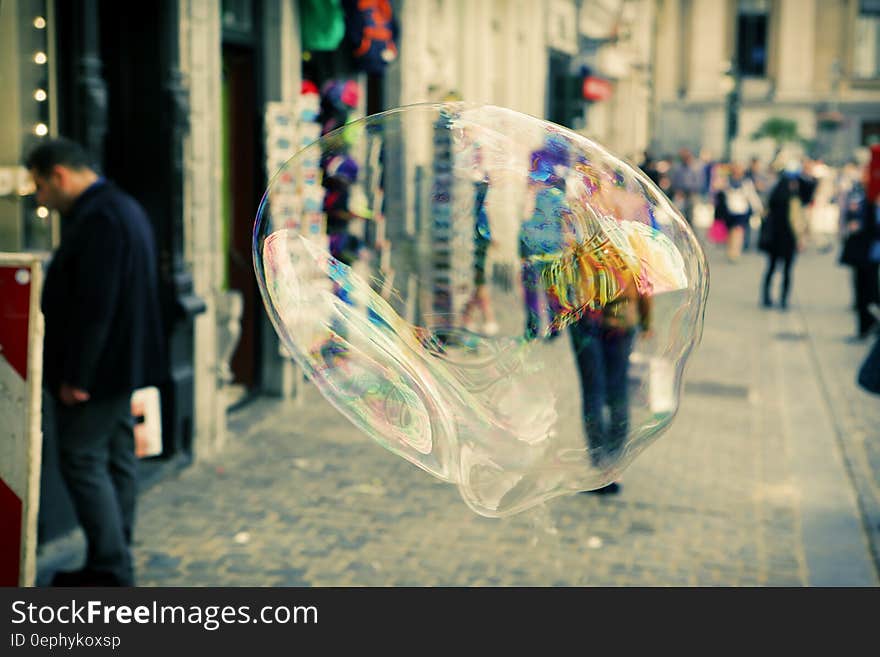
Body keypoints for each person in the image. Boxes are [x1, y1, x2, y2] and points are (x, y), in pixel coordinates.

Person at [26, 138, 166, 586]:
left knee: (84, 459)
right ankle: (114, 554)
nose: (40, 199)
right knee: (116, 457)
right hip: (124, 364)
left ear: (60, 176)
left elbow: (96, 305)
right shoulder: (122, 207)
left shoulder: (101, 217)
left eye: (41, 188)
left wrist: (77, 377)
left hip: (100, 371)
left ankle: (110, 567)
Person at [569, 269, 652, 496]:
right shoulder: (633, 234)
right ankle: (613, 466)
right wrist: (645, 319)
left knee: (593, 391)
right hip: (622, 314)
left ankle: (598, 465)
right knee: (617, 391)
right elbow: (645, 278)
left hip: (585, 312)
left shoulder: (580, 233)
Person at [760, 169, 809, 310]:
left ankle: (766, 297)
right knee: (787, 271)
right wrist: (800, 238)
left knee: (771, 268)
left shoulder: (774, 195)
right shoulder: (793, 199)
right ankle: (783, 300)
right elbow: (796, 221)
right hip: (788, 240)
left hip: (774, 240)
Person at [715, 162, 763, 261]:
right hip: (729, 211)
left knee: (738, 231)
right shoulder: (727, 181)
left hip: (741, 211)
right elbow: (717, 189)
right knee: (730, 232)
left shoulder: (746, 183)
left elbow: (752, 196)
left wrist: (759, 208)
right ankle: (730, 249)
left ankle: (735, 252)